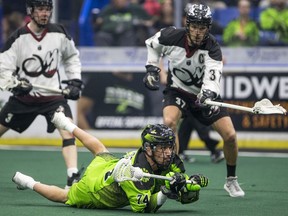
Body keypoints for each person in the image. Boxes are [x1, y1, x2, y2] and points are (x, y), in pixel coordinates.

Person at [12, 110, 209, 213]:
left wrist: (189, 183)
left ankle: (66, 124)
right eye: (162, 147)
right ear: (148, 148)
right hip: (96, 189)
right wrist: (167, 192)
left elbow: (182, 185)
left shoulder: (168, 157)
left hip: (109, 165)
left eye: (169, 146)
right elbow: (145, 208)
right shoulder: (137, 173)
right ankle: (27, 181)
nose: (168, 152)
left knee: (101, 150)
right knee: (65, 196)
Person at [142, 3, 245, 197]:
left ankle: (231, 180)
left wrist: (207, 94)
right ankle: (175, 174)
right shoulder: (170, 35)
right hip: (177, 90)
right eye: (195, 26)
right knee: (169, 122)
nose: (198, 32)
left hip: (202, 95)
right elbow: (152, 45)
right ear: (187, 24)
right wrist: (152, 68)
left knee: (230, 136)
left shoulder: (213, 47)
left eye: (202, 27)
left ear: (208, 28)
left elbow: (213, 77)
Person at [0, 0, 83, 189]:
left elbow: (71, 57)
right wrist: (15, 85)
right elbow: (3, 69)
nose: (45, 13)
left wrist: (75, 81)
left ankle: (73, 175)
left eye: (48, 9)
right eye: (40, 9)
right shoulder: (18, 38)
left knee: (68, 130)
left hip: (53, 100)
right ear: (30, 11)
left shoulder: (59, 32)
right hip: (23, 99)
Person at [77, 72, 152, 130]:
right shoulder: (100, 78)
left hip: (134, 138)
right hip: (104, 136)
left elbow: (148, 116)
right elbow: (78, 111)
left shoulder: (141, 81)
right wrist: (91, 137)